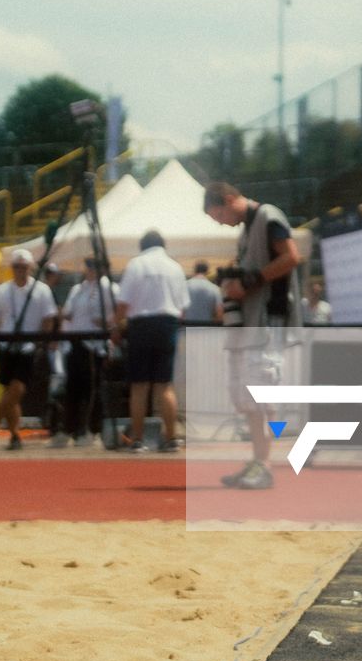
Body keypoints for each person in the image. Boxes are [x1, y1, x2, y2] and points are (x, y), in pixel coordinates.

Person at [202, 180, 300, 489]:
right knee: (248, 395)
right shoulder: (247, 229)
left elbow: (291, 256)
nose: (220, 223)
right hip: (252, 322)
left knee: (262, 392)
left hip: (266, 319)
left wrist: (248, 282)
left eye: (219, 215)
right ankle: (259, 460)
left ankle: (265, 463)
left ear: (230, 199)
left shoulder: (268, 216)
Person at [114, 231, 186, 451]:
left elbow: (123, 304)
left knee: (139, 386)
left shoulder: (136, 265)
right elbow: (182, 307)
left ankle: (137, 439)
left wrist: (117, 327)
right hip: (167, 324)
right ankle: (171, 437)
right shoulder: (175, 267)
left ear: (142, 246)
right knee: (164, 385)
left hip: (141, 326)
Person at [0, 250, 57, 451]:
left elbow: (48, 318)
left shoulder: (41, 290)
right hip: (6, 345)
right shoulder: (2, 291)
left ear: (30, 268)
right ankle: (15, 435)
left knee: (18, 388)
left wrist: (41, 342)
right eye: (17, 266)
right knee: (10, 392)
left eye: (24, 267)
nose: (20, 271)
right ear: (12, 268)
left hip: (28, 346)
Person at [59, 255, 116, 443]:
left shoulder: (109, 288)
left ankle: (93, 429)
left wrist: (106, 323)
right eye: (88, 266)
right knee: (73, 389)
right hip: (75, 342)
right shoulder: (78, 289)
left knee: (92, 389)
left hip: (94, 344)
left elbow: (117, 316)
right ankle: (71, 429)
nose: (90, 270)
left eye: (94, 267)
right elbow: (68, 313)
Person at [184, 260, 224, 325]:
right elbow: (219, 314)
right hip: (206, 329)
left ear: (194, 271)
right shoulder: (215, 289)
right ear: (207, 272)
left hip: (186, 328)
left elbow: (179, 311)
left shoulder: (185, 286)